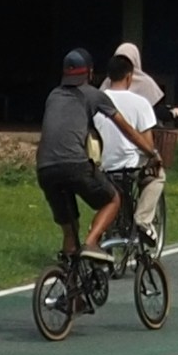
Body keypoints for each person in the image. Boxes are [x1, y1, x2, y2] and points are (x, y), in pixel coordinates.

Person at [35, 51, 128, 265]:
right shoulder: (93, 94)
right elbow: (127, 128)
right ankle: (92, 243)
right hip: (75, 164)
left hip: (45, 169)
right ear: (91, 72)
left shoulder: (53, 95)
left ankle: (70, 284)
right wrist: (151, 151)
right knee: (113, 199)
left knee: (70, 229)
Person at [98, 39, 171, 246]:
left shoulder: (97, 99)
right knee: (157, 176)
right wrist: (155, 157)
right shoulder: (141, 103)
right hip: (130, 165)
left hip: (103, 165)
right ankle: (143, 221)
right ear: (129, 75)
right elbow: (147, 143)